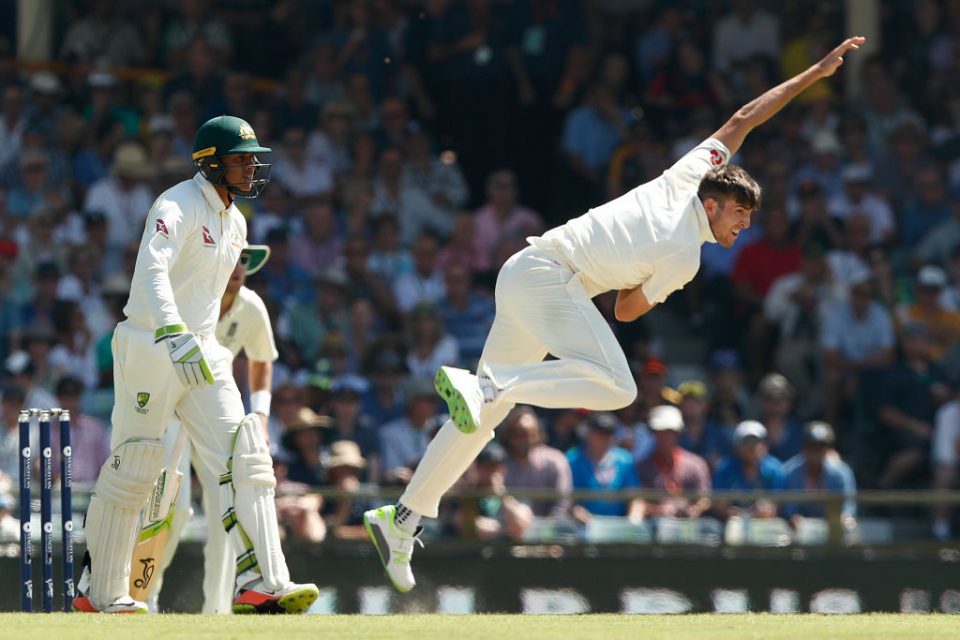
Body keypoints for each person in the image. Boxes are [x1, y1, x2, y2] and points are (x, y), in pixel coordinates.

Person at [363, 37, 867, 592]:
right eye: (740, 214)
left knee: (482, 421)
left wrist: (813, 76)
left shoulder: (685, 173)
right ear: (713, 202)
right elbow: (626, 312)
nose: (743, 226)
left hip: (525, 272)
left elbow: (744, 118)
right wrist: (632, 276)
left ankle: (402, 519)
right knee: (617, 388)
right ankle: (491, 386)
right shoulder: (686, 258)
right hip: (552, 280)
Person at [75, 115, 317, 614]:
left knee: (246, 453)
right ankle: (100, 591)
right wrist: (171, 330)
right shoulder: (176, 203)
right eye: (240, 158)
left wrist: (194, 340)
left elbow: (208, 298)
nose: (252, 167)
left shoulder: (237, 221)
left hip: (202, 348)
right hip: (151, 342)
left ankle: (263, 583)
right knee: (137, 463)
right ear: (209, 163)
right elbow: (151, 271)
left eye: (254, 158)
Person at [146, 241, 285, 614]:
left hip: (214, 414)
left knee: (227, 506)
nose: (239, 267)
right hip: (172, 411)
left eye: (244, 260)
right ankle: (146, 595)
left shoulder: (251, 306)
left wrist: (261, 414)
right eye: (232, 258)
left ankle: (219, 610)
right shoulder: (188, 297)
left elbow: (261, 360)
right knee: (168, 509)